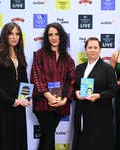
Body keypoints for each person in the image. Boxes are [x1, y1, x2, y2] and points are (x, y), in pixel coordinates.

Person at [30, 22, 76, 150]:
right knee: (49, 137)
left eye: (56, 34)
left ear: (61, 36)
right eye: (50, 34)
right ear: (47, 37)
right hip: (43, 104)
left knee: (47, 136)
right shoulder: (39, 54)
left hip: (60, 106)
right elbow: (36, 77)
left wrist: (65, 99)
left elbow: (71, 81)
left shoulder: (68, 59)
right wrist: (48, 96)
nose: (54, 37)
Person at [0, 22, 30, 150]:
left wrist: (26, 98)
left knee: (18, 140)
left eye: (17, 34)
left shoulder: (20, 55)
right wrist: (12, 101)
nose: (14, 37)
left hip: (19, 107)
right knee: (3, 141)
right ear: (5, 35)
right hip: (3, 106)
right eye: (11, 33)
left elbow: (25, 81)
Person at [72, 37, 118, 150]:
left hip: (101, 114)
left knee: (98, 143)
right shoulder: (79, 68)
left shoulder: (108, 69)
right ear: (85, 50)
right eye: (90, 47)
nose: (92, 50)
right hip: (82, 111)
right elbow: (73, 88)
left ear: (100, 50)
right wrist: (76, 92)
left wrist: (99, 96)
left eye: (95, 47)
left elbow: (114, 90)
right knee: (82, 142)